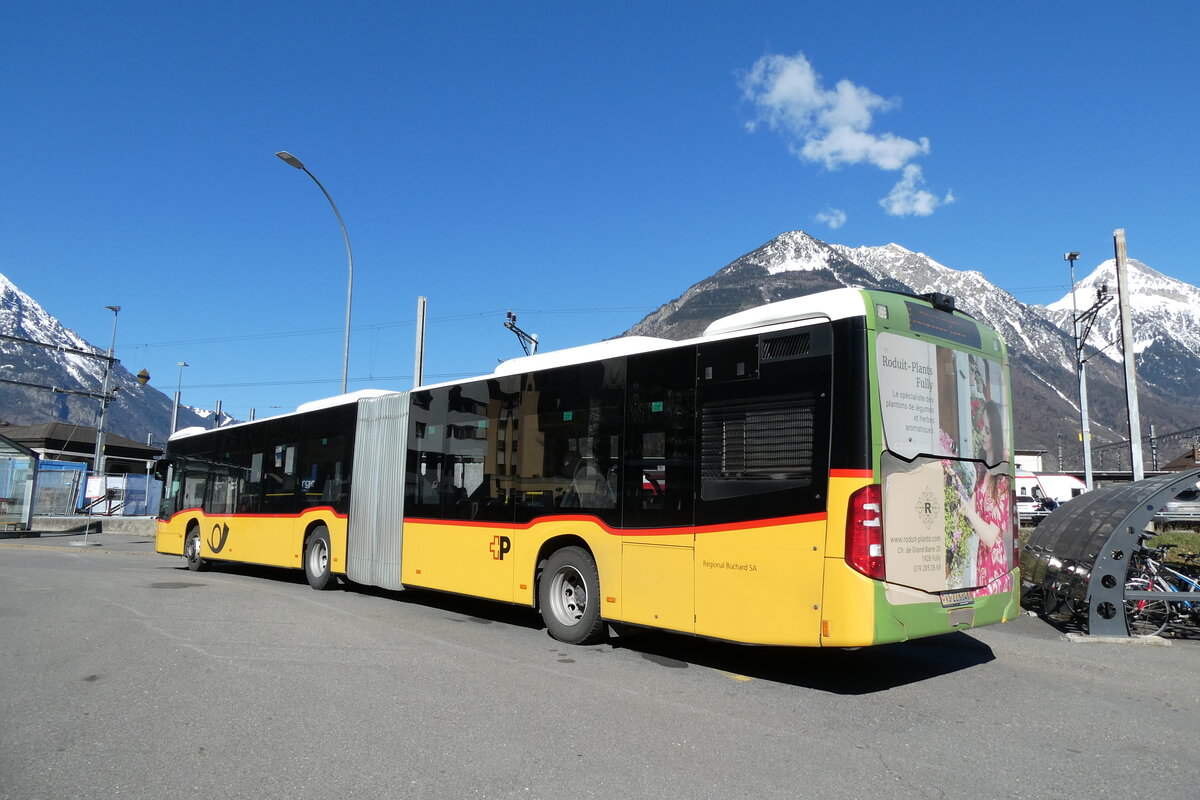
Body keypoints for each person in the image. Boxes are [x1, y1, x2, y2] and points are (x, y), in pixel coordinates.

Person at [963, 400, 1012, 595]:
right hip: (980, 560)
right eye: (983, 427)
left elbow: (991, 537)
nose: (982, 433)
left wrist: (967, 511)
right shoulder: (981, 470)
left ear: (997, 437)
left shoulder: (1002, 481)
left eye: (988, 431)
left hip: (993, 565)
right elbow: (972, 509)